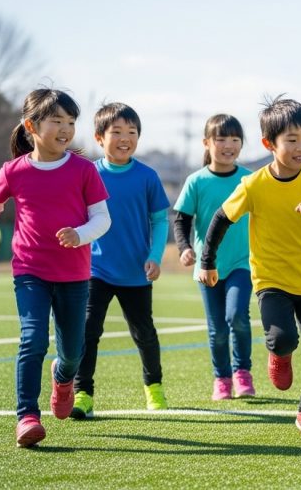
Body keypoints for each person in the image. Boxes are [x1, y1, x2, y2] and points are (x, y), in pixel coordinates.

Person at [0, 88, 110, 447]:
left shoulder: (84, 170)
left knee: (73, 352)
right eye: (56, 121)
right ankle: (27, 416)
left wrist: (80, 234)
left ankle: (62, 378)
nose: (65, 129)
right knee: (32, 339)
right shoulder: (13, 171)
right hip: (29, 271)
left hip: (75, 275)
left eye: (71, 122)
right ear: (31, 125)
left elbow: (103, 219)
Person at [200, 96, 301, 436]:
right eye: (293, 140)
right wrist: (208, 261)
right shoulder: (254, 184)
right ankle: (279, 354)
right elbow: (221, 219)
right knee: (283, 339)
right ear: (269, 144)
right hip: (272, 281)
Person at [70, 103, 171, 419]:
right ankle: (82, 393)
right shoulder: (89, 174)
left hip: (136, 272)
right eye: (117, 132)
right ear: (100, 137)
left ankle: (153, 387)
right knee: (88, 331)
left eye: (132, 132)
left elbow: (160, 221)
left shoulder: (147, 177)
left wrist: (155, 257)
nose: (125, 138)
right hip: (95, 270)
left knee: (144, 334)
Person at [174, 114, 256, 400]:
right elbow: (182, 219)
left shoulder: (249, 179)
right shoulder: (196, 181)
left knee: (237, 316)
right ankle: (222, 379)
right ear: (207, 143)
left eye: (235, 139)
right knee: (217, 328)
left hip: (242, 263)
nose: (228, 145)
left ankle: (242, 371)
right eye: (221, 139)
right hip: (207, 266)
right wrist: (184, 247)